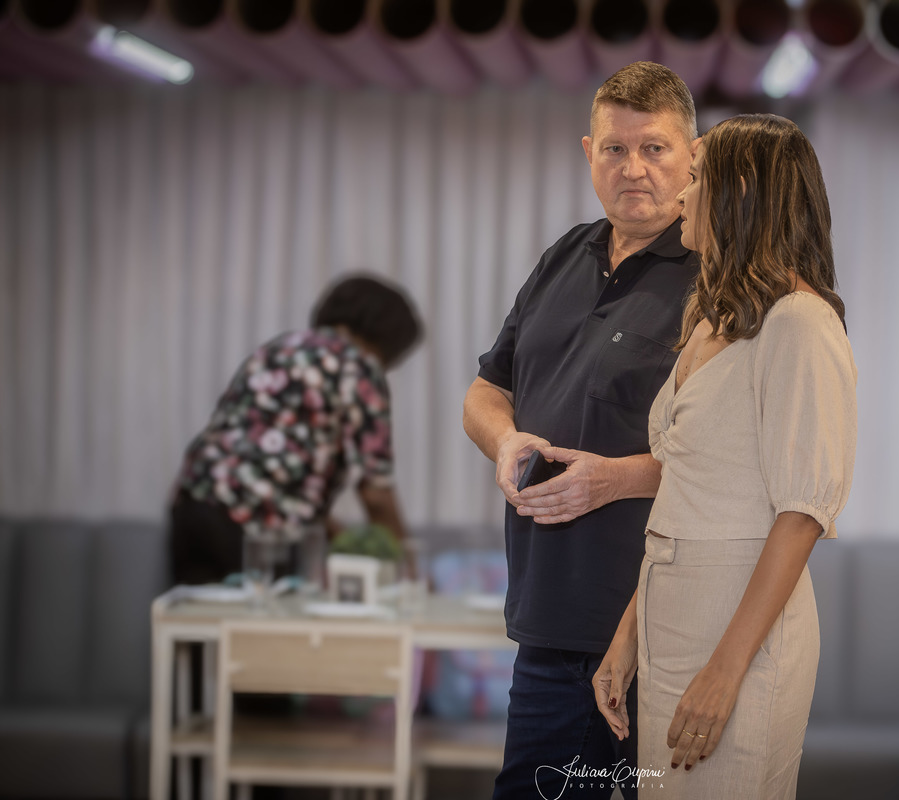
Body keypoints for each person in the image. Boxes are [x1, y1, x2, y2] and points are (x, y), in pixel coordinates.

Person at [591, 114, 857, 800]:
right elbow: (686, 493)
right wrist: (629, 636)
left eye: (698, 176)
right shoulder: (716, 318)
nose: (682, 192)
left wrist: (725, 671)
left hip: (737, 629)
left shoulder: (800, 322)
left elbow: (802, 514)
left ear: (739, 190)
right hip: (674, 615)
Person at [463, 62, 700, 799]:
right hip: (548, 615)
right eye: (616, 149)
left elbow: (737, 461)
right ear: (589, 153)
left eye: (655, 148)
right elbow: (486, 390)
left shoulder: (718, 275)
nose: (634, 168)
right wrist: (504, 440)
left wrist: (617, 478)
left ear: (693, 154)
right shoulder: (565, 255)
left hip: (655, 624)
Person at [169, 273, 422, 585]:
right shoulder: (358, 366)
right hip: (256, 532)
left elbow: (276, 466)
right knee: (264, 615)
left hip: (193, 504)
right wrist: (408, 570)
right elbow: (376, 494)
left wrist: (339, 536)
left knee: (196, 614)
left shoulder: (280, 349)